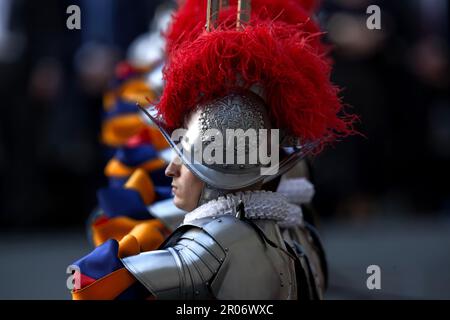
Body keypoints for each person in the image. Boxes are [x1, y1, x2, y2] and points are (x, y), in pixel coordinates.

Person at [69, 0, 357, 300]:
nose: (170, 168)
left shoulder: (217, 241)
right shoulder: (273, 231)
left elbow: (89, 283)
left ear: (223, 169)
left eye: (187, 159)